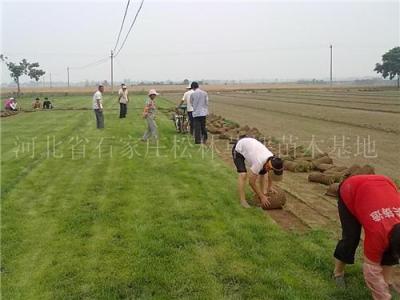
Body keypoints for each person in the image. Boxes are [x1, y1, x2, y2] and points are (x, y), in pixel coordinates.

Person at [333, 175, 400, 299]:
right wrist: (382, 296)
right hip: (352, 189)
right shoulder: (378, 234)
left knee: (392, 249)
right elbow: (371, 271)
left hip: (383, 184)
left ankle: (387, 282)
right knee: (351, 238)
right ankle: (338, 273)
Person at [232, 137, 284, 208]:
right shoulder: (259, 162)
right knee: (243, 175)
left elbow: (270, 173)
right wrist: (262, 197)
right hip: (239, 148)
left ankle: (261, 195)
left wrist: (269, 187)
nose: (268, 170)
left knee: (262, 173)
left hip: (251, 147)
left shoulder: (272, 160)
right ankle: (243, 200)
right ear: (269, 165)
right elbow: (251, 182)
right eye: (268, 168)